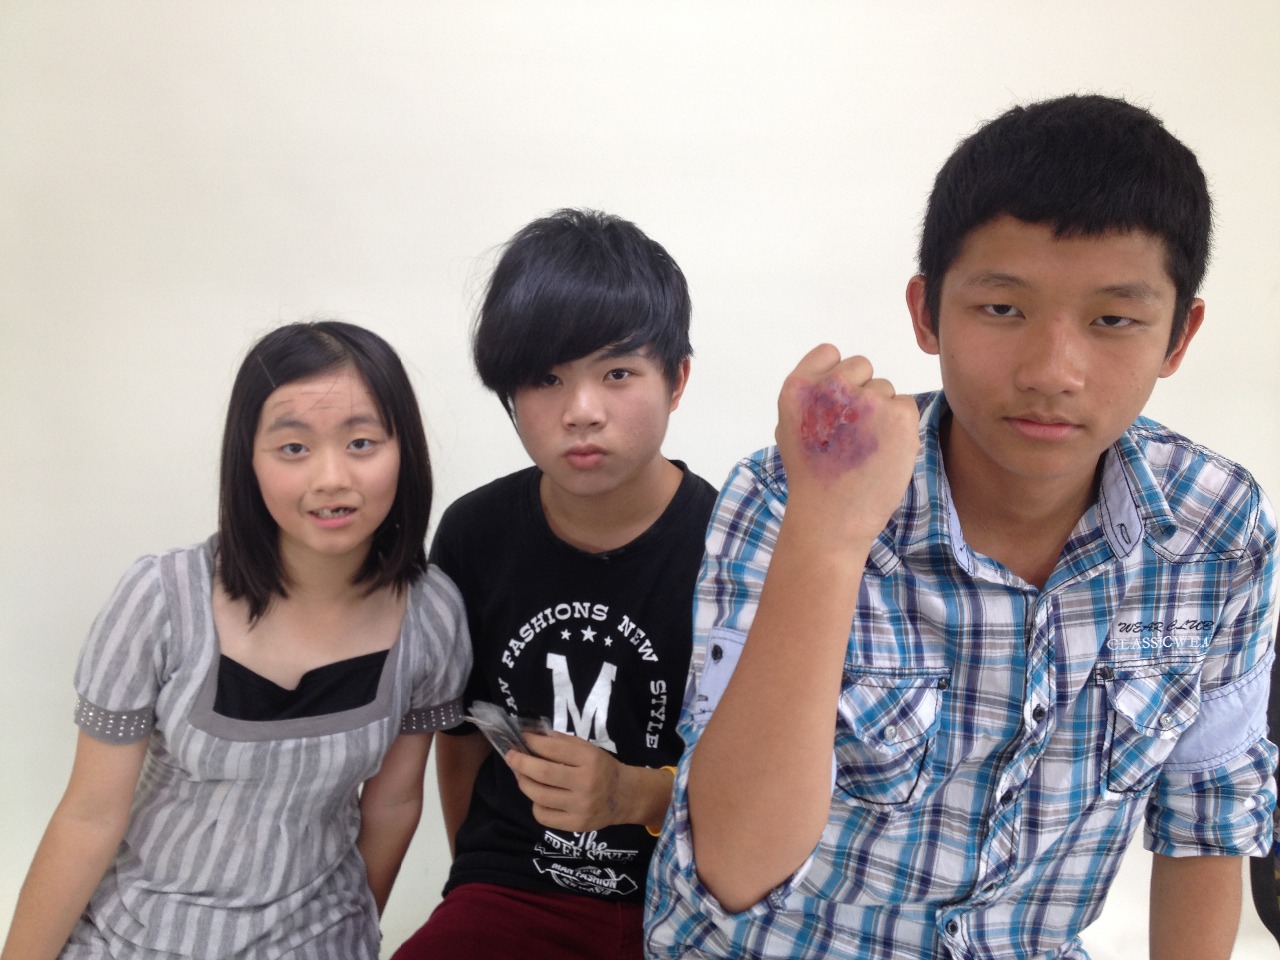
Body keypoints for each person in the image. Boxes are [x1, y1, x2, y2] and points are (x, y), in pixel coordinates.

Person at [645, 94, 1279, 959]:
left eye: (1113, 320)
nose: (1053, 371)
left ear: (1178, 336)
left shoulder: (1215, 530)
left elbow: (1208, 816)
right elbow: (733, 864)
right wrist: (830, 537)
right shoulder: (791, 490)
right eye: (1003, 309)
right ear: (927, 311)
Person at [1, 321, 472, 960]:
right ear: (248, 460)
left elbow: (392, 805)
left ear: (404, 450)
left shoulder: (432, 615)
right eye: (293, 447)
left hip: (318, 938)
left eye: (361, 442)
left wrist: (353, 936)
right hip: (134, 937)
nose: (332, 477)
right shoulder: (161, 600)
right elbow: (90, 815)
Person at [392, 209, 717, 960]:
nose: (581, 412)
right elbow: (462, 736)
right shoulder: (474, 534)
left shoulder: (733, 543)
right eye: (546, 379)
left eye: (618, 373)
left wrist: (634, 793)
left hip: (691, 893)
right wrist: (473, 886)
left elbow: (773, 781)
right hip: (515, 888)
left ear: (677, 380)